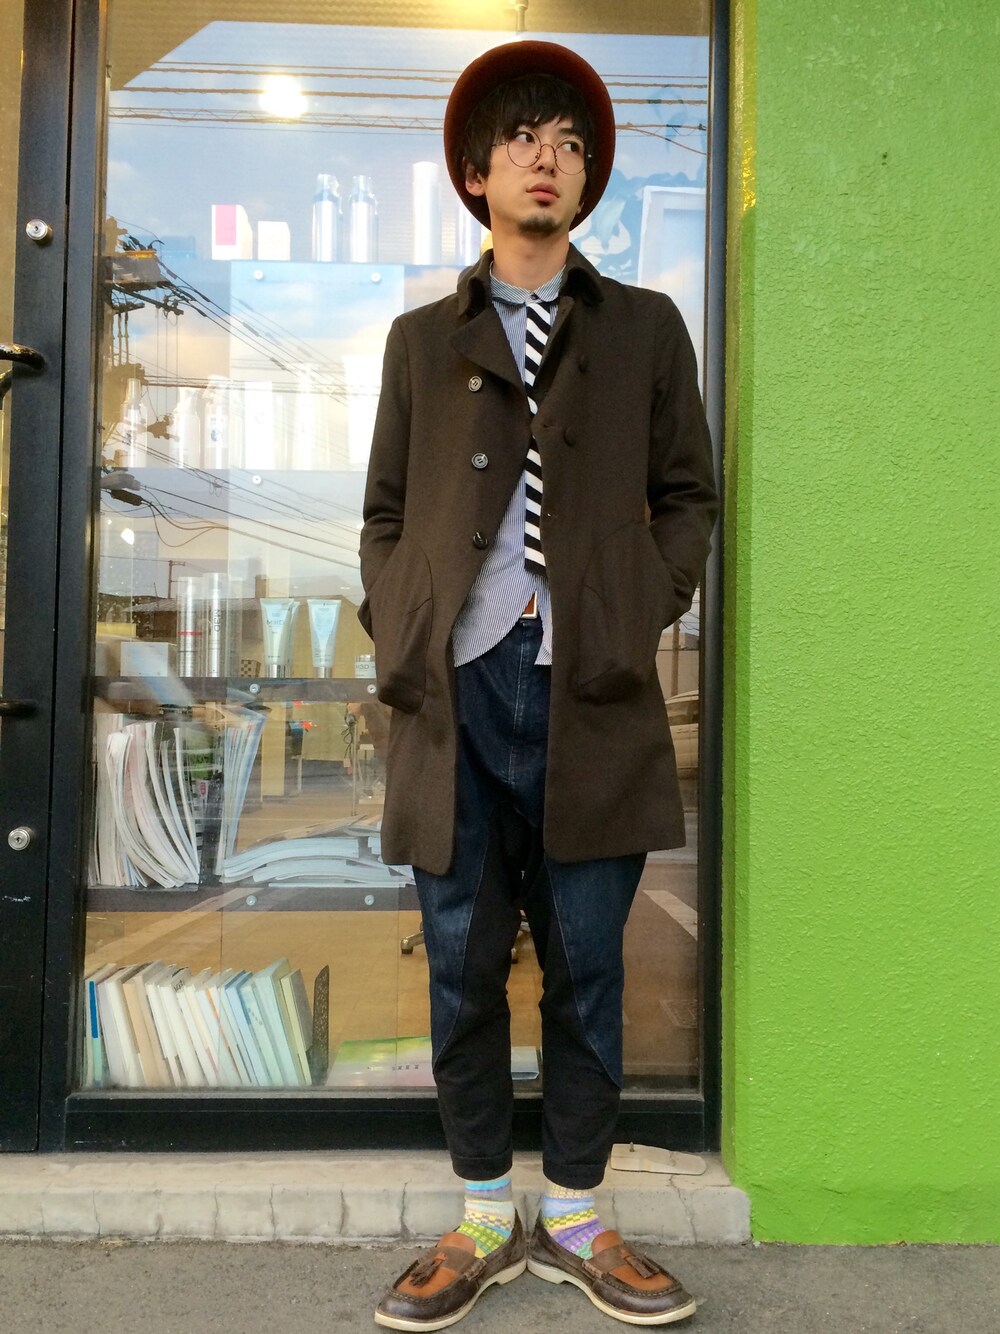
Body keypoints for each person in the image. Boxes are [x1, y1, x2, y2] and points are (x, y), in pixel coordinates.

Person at [359, 40, 718, 1330]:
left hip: (591, 687)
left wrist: (636, 606)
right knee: (460, 967)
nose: (546, 158)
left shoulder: (645, 328)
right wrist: (401, 620)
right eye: (521, 139)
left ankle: (572, 1216)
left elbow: (688, 498)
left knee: (588, 969)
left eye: (567, 143)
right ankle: (478, 1217)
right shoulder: (420, 339)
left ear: (584, 179)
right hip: (453, 694)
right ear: (477, 174)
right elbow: (384, 512)